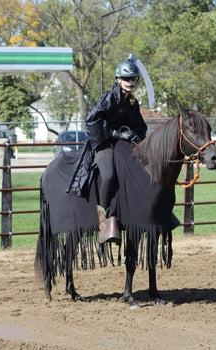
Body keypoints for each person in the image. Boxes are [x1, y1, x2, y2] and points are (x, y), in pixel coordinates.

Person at [85, 58, 147, 244]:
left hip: (123, 145)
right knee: (110, 175)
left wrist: (136, 136)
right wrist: (116, 134)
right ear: (118, 79)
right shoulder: (109, 98)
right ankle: (103, 219)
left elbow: (140, 126)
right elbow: (92, 122)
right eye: (126, 79)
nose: (130, 82)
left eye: (133, 79)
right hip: (104, 144)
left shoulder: (132, 102)